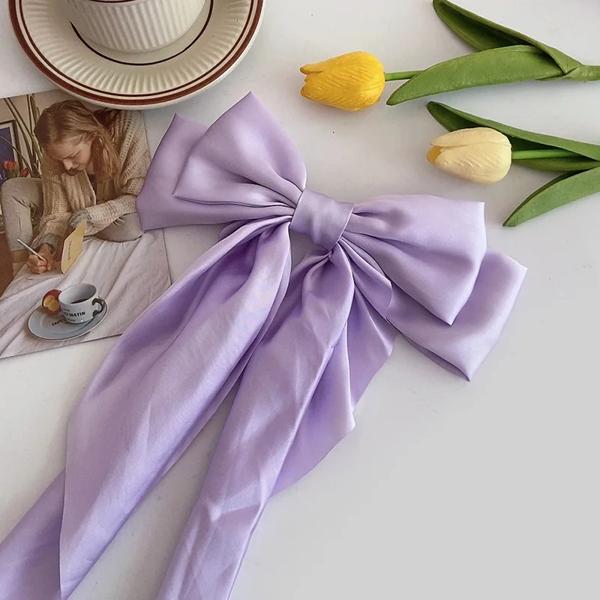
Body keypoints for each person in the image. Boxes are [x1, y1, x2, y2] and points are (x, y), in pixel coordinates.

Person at [0, 99, 150, 275]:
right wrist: (46, 246)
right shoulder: (54, 154)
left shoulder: (127, 127)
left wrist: (90, 216)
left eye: (73, 155)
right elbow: (56, 212)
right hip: (74, 208)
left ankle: (76, 226)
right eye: (59, 160)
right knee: (13, 188)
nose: (67, 166)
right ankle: (21, 269)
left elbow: (136, 196)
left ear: (92, 136)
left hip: (108, 208)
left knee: (130, 226)